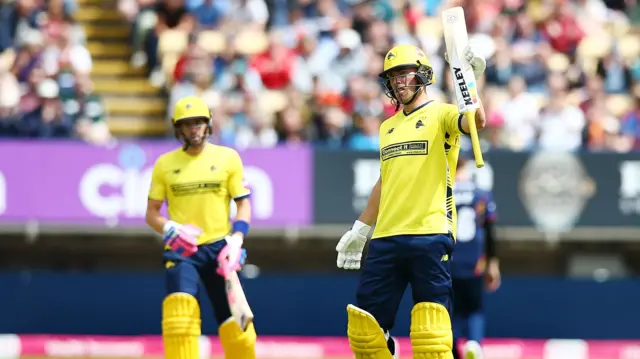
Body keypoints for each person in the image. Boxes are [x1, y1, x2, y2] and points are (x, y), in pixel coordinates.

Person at [335, 43, 487, 359]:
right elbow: (385, 179)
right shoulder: (387, 127)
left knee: (431, 337)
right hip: (386, 237)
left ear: (422, 75)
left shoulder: (442, 113)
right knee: (366, 334)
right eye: (393, 77)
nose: (399, 82)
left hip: (429, 232)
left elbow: (477, 122)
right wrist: (361, 228)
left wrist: (470, 82)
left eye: (405, 74)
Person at [145, 96, 256, 359]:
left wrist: (237, 238)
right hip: (182, 249)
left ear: (208, 125)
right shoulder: (165, 164)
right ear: (177, 128)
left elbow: (243, 204)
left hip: (220, 249)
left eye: (198, 123)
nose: (193, 129)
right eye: (187, 124)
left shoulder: (228, 157)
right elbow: (151, 213)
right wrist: (169, 227)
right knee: (180, 317)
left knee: (236, 325)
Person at [451, 150, 501, 359]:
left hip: (448, 261)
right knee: (474, 308)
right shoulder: (481, 194)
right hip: (475, 261)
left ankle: (452, 350)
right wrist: (493, 263)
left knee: (449, 309)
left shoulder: (443, 193)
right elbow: (490, 230)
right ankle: (474, 344)